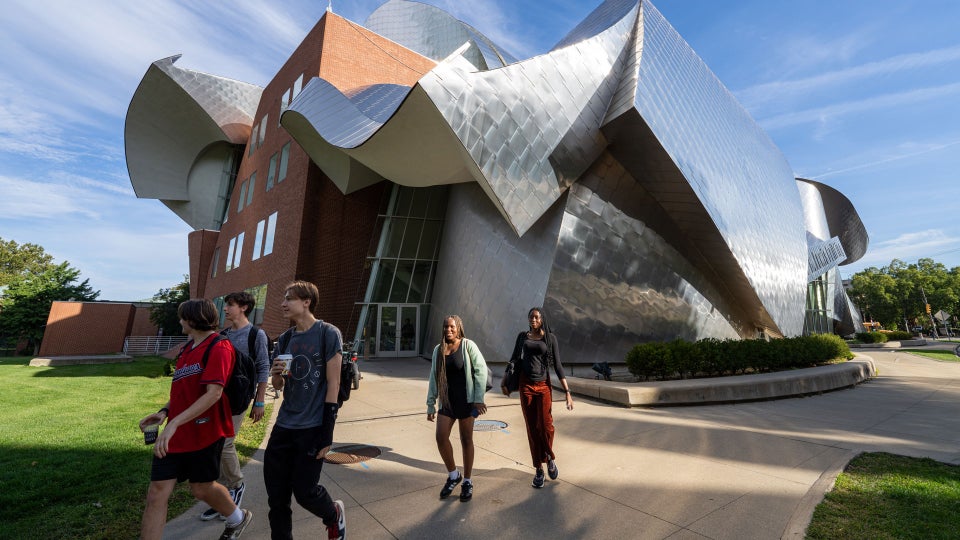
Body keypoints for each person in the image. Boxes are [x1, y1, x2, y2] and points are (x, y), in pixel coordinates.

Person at [138, 299, 253, 540]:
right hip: (176, 433)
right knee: (157, 493)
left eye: (182, 317)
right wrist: (164, 413)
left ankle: (237, 518)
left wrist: (175, 423)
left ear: (192, 319)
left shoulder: (220, 347)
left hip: (206, 433)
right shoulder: (186, 349)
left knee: (201, 488)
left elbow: (214, 393)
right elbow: (184, 392)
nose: (180, 321)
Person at [264, 281, 346, 540]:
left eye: (289, 298)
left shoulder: (327, 333)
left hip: (311, 427)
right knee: (277, 498)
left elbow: (334, 383)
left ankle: (333, 514)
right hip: (284, 425)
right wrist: (276, 375)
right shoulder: (285, 339)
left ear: (307, 301)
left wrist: (327, 431)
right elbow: (279, 385)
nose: (283, 303)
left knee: (305, 492)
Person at [198, 291, 271, 521]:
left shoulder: (256, 334)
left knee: (226, 442)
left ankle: (236, 486)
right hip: (218, 397)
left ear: (244, 307)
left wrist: (259, 401)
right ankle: (222, 498)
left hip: (239, 398)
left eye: (230, 305)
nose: (226, 309)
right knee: (215, 445)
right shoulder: (224, 335)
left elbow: (262, 368)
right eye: (226, 304)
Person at [502, 307, 573, 489]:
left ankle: (550, 457)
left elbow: (557, 366)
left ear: (542, 319)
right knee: (532, 428)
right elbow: (514, 359)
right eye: (530, 317)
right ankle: (539, 470)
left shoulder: (550, 338)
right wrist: (505, 380)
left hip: (543, 386)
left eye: (536, 317)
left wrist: (567, 392)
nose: (533, 320)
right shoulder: (522, 337)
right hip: (526, 385)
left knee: (546, 426)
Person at [426, 315, 489, 502]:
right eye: (445, 326)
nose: (448, 330)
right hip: (447, 401)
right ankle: (454, 475)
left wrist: (478, 399)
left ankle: (467, 481)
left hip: (467, 401)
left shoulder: (468, 345)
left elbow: (481, 370)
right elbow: (433, 378)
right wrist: (431, 403)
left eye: (452, 327)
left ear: (458, 328)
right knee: (440, 437)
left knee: (466, 439)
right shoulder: (439, 350)